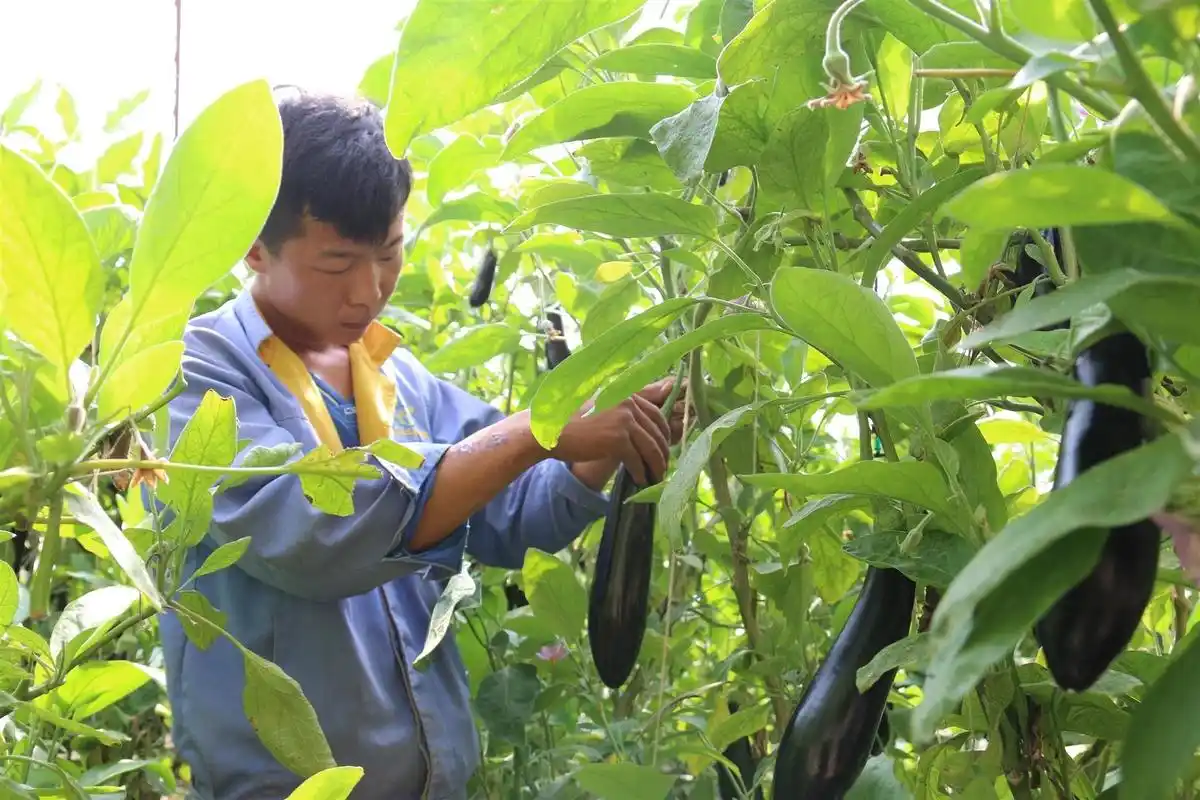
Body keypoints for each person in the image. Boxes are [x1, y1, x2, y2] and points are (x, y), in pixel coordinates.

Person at [157, 88, 686, 800]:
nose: (368, 292)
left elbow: (507, 512)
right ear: (254, 247)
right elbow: (314, 533)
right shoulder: (199, 373)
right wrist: (541, 428)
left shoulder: (396, 375)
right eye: (337, 264)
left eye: (390, 253)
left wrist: (599, 449)